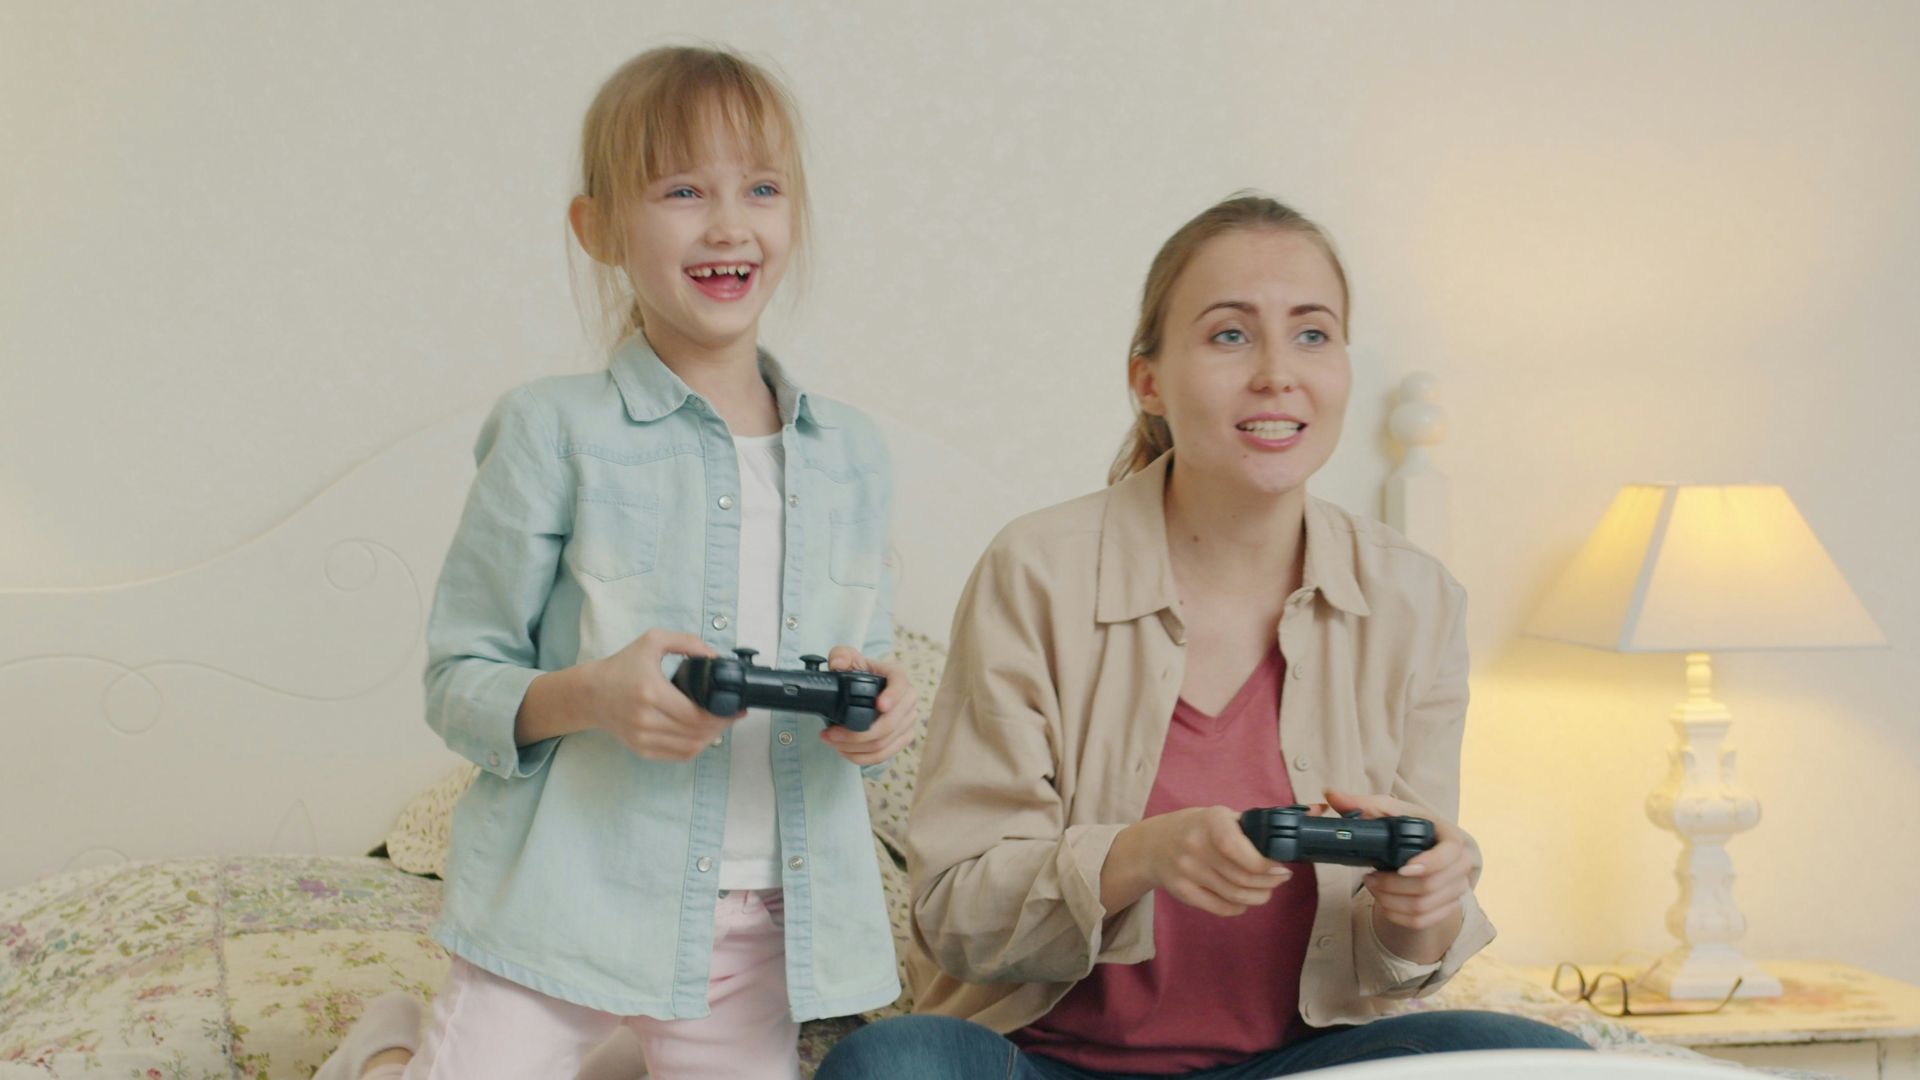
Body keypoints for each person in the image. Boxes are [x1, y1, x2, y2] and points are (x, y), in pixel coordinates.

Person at [817, 195, 1588, 1078]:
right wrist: (1138, 855)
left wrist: (1421, 904)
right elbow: (956, 912)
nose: (1276, 373)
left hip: (1292, 1067)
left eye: (1311, 334)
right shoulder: (1036, 570)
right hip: (1044, 1064)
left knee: (1547, 1063)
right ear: (1148, 380)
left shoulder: (1415, 600)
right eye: (1229, 336)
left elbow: (1399, 970)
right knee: (897, 1064)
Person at [317, 44, 918, 1080]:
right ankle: (386, 1050)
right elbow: (460, 683)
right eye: (683, 191)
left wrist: (880, 711)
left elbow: (863, 660)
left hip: (762, 933)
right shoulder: (553, 430)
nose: (730, 224)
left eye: (761, 189)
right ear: (599, 230)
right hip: (563, 907)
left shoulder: (853, 453)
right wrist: (596, 695)